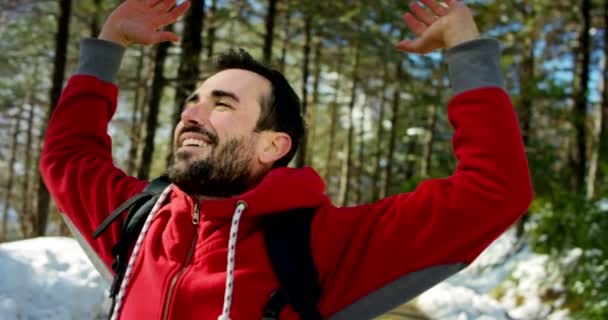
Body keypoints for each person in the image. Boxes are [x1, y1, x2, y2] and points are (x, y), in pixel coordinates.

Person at [39, 0, 533, 319]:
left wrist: (466, 50)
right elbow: (67, 155)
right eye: (193, 99)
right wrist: (109, 45)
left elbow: (494, 190)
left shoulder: (322, 245)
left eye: (223, 103)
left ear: (272, 145)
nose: (192, 113)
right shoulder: (138, 223)